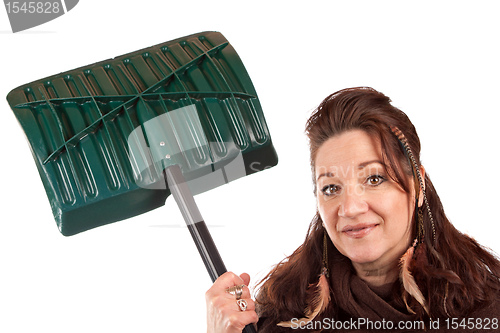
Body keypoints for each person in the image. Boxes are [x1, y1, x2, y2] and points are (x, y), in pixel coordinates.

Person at [205, 87, 500, 332]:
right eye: (331, 188)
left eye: (374, 178)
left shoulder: (488, 311)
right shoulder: (284, 315)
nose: (350, 208)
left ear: (418, 185)